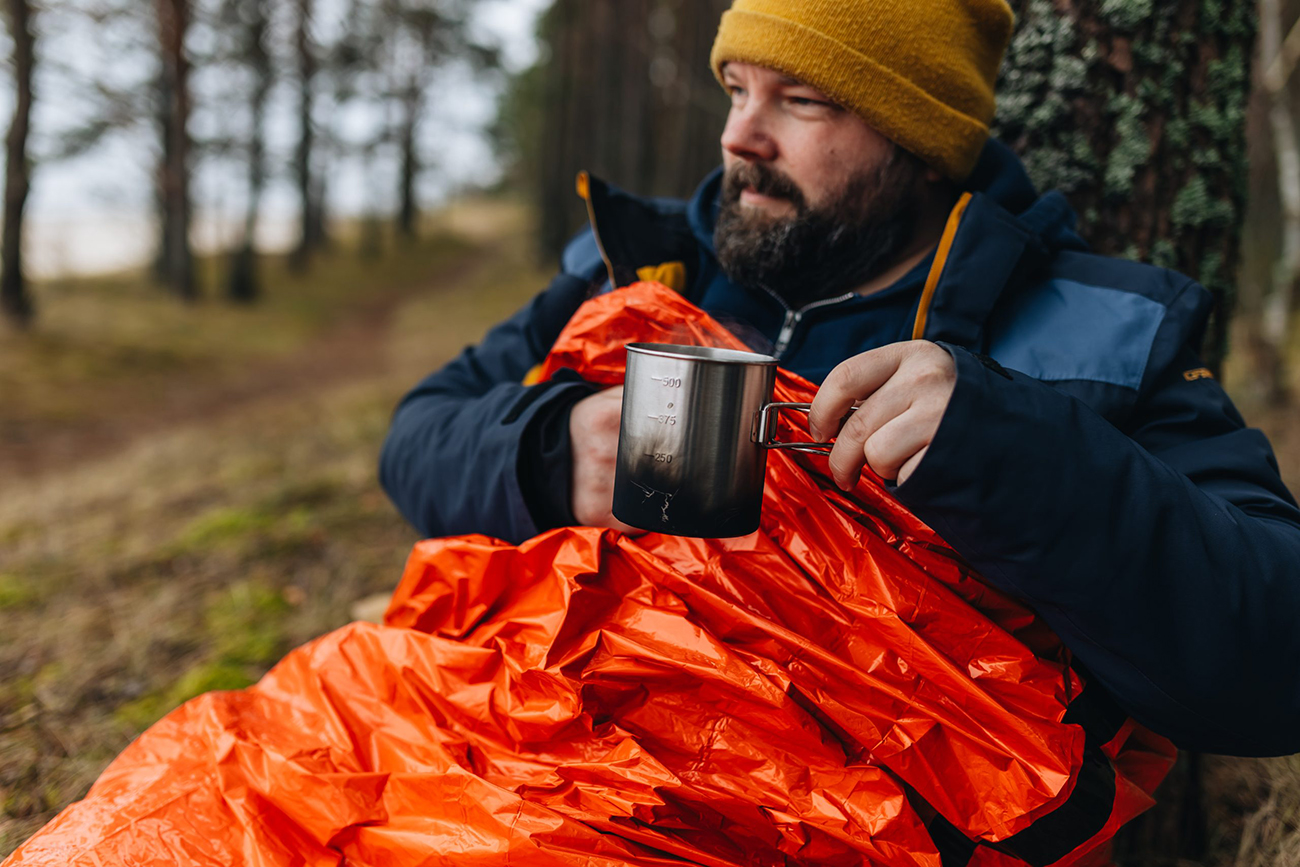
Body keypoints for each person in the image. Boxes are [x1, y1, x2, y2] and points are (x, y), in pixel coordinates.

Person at [379, 0, 1300, 758]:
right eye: (737, 88)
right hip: (529, 743)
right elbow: (418, 434)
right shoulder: (636, 265)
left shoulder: (1101, 335)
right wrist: (546, 450)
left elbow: (1275, 647)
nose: (742, 135)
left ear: (920, 138)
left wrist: (1009, 447)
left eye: (802, 100)